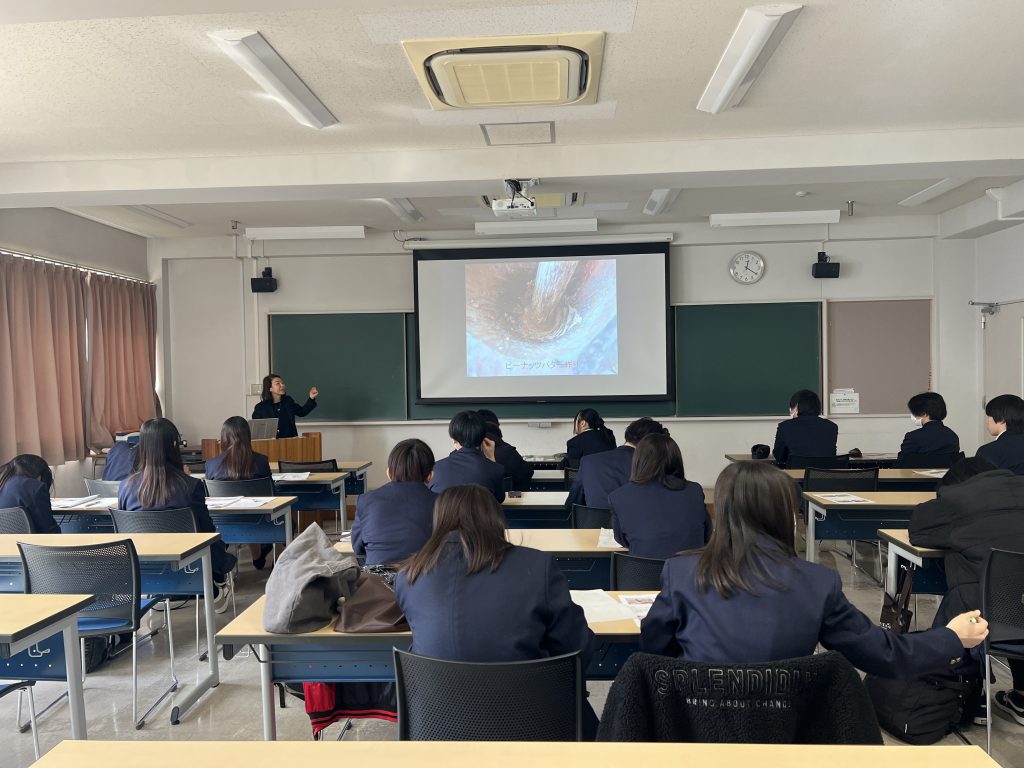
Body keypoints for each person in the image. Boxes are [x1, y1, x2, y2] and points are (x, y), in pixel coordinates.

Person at [640, 461, 989, 678]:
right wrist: (952, 636)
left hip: (697, 729)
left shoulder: (682, 572)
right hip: (787, 731)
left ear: (724, 512)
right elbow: (885, 656)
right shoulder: (818, 582)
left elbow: (654, 652)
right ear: (787, 515)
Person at [395, 484, 597, 737]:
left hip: (438, 725)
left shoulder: (410, 575)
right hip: (532, 724)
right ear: (495, 518)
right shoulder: (537, 565)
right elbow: (576, 650)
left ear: (438, 520)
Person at [909, 456, 1024, 725]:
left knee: (970, 595)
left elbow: (918, 529)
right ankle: (1020, 697)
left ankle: (972, 694)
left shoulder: (957, 499)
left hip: (985, 618)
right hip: (1016, 613)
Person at [118, 418, 237, 612]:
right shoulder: (190, 486)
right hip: (192, 568)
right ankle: (215, 589)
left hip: (143, 571)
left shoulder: (125, 487)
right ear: (174, 445)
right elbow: (206, 531)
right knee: (215, 544)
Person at [608, 433, 710, 559]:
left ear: (638, 461)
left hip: (641, 576)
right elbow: (706, 535)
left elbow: (623, 540)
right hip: (687, 575)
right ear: (676, 459)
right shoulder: (694, 491)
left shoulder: (619, 496)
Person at [352, 439, 437, 567]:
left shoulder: (366, 500)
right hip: (423, 580)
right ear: (430, 475)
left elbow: (358, 548)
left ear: (389, 473)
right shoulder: (443, 502)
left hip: (378, 583)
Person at [205, 416, 274, 570]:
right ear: (248, 436)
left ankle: (255, 556)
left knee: (243, 515)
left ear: (223, 438)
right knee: (287, 521)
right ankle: (273, 561)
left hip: (223, 523)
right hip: (261, 521)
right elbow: (272, 495)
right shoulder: (261, 461)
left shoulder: (211, 465)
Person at [565, 417, 669, 510]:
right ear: (653, 444)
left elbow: (572, 504)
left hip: (595, 529)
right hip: (634, 529)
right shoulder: (652, 466)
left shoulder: (588, 462)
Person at [429, 410, 505, 502]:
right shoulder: (495, 469)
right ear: (483, 438)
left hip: (446, 516)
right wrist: (491, 459)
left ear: (454, 438)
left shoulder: (435, 469)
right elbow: (499, 500)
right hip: (479, 516)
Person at [772, 389, 839, 467]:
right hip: (824, 476)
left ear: (796, 407)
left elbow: (779, 456)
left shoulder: (785, 427)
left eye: (792, 407)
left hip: (795, 476)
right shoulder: (831, 426)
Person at [0, 454, 60, 534]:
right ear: (40, 475)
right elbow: (49, 530)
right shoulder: (34, 487)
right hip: (28, 545)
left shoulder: (3, 480)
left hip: (4, 544)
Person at [477, 409, 534, 490]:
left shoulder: (458, 456)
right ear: (497, 427)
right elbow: (527, 473)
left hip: (464, 501)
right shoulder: (508, 453)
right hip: (502, 501)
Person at [251, 373, 318, 439]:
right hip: (271, 445)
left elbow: (302, 412)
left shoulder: (288, 401)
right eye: (278, 383)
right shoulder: (261, 407)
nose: (282, 385)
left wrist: (311, 398)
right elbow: (257, 430)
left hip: (290, 442)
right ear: (270, 388)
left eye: (282, 383)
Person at [899, 392, 960, 458]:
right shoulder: (952, 436)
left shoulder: (913, 437)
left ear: (924, 413)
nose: (912, 415)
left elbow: (901, 463)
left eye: (914, 412)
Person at [976, 394, 1024, 475]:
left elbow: (980, 485)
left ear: (1002, 419)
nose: (986, 422)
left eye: (989, 416)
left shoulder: (989, 451)